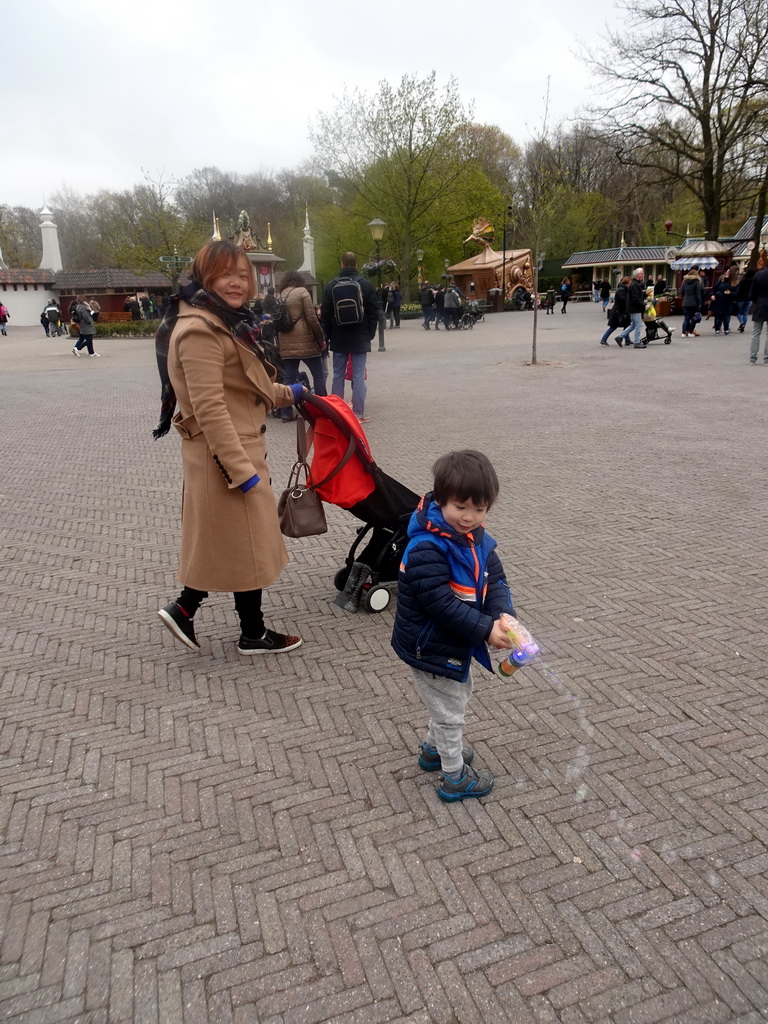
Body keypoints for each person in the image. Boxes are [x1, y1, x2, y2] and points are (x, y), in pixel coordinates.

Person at [153, 238, 305, 655]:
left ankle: (198, 613)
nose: (237, 283)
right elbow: (210, 409)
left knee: (237, 542)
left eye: (243, 274)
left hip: (234, 449)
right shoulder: (200, 330)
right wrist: (241, 471)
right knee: (248, 541)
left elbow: (243, 385)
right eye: (225, 274)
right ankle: (236, 627)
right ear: (206, 277)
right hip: (225, 455)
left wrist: (291, 393)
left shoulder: (224, 322)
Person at [391, 450, 516, 802]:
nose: (470, 517)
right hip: (431, 645)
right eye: (461, 507)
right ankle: (454, 777)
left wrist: (503, 614)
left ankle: (433, 750)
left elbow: (496, 579)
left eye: (480, 509)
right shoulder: (425, 549)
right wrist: (485, 630)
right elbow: (442, 607)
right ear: (441, 499)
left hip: (453, 643)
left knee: (452, 699)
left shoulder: (476, 538)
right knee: (450, 713)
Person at [320, 251, 378, 424]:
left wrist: (329, 336)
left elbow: (325, 314)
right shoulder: (365, 284)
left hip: (339, 336)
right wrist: (369, 334)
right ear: (356, 265)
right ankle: (359, 413)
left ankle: (337, 412)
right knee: (358, 375)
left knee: (338, 375)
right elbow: (374, 312)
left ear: (341, 264)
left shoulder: (331, 286)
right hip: (360, 335)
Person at [276, 269, 327, 420]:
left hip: (286, 340)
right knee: (318, 374)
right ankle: (322, 409)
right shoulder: (303, 292)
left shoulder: (281, 295)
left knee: (288, 378)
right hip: (305, 341)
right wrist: (320, 337)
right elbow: (311, 318)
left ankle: (286, 412)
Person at [615, 268, 646, 348]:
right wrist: (643, 304)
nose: (643, 275)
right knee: (638, 325)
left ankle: (620, 337)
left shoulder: (634, 284)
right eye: (642, 273)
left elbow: (635, 296)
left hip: (632, 308)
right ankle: (637, 342)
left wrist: (644, 294)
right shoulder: (635, 284)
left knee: (633, 324)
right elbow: (635, 298)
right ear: (637, 275)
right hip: (635, 308)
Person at [599, 276, 630, 346]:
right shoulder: (621, 290)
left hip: (621, 311)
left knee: (626, 325)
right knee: (613, 327)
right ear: (627, 283)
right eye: (629, 283)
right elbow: (623, 300)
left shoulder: (623, 289)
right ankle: (603, 339)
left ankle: (627, 340)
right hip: (617, 311)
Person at [748, 259, 768, 365]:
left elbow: (752, 294)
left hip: (760, 304)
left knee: (756, 333)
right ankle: (766, 359)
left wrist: (758, 301)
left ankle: (753, 358)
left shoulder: (758, 275)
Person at [680, 267, 703, 337]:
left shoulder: (684, 281)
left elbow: (681, 291)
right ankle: (690, 332)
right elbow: (698, 294)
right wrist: (699, 303)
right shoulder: (697, 282)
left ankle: (683, 333)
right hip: (694, 303)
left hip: (686, 302)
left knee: (686, 318)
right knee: (693, 318)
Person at [734, 269, 755, 333]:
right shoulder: (753, 281)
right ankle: (743, 326)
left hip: (741, 298)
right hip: (749, 298)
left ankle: (742, 323)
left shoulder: (743, 281)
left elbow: (739, 290)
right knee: (745, 313)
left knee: (738, 312)